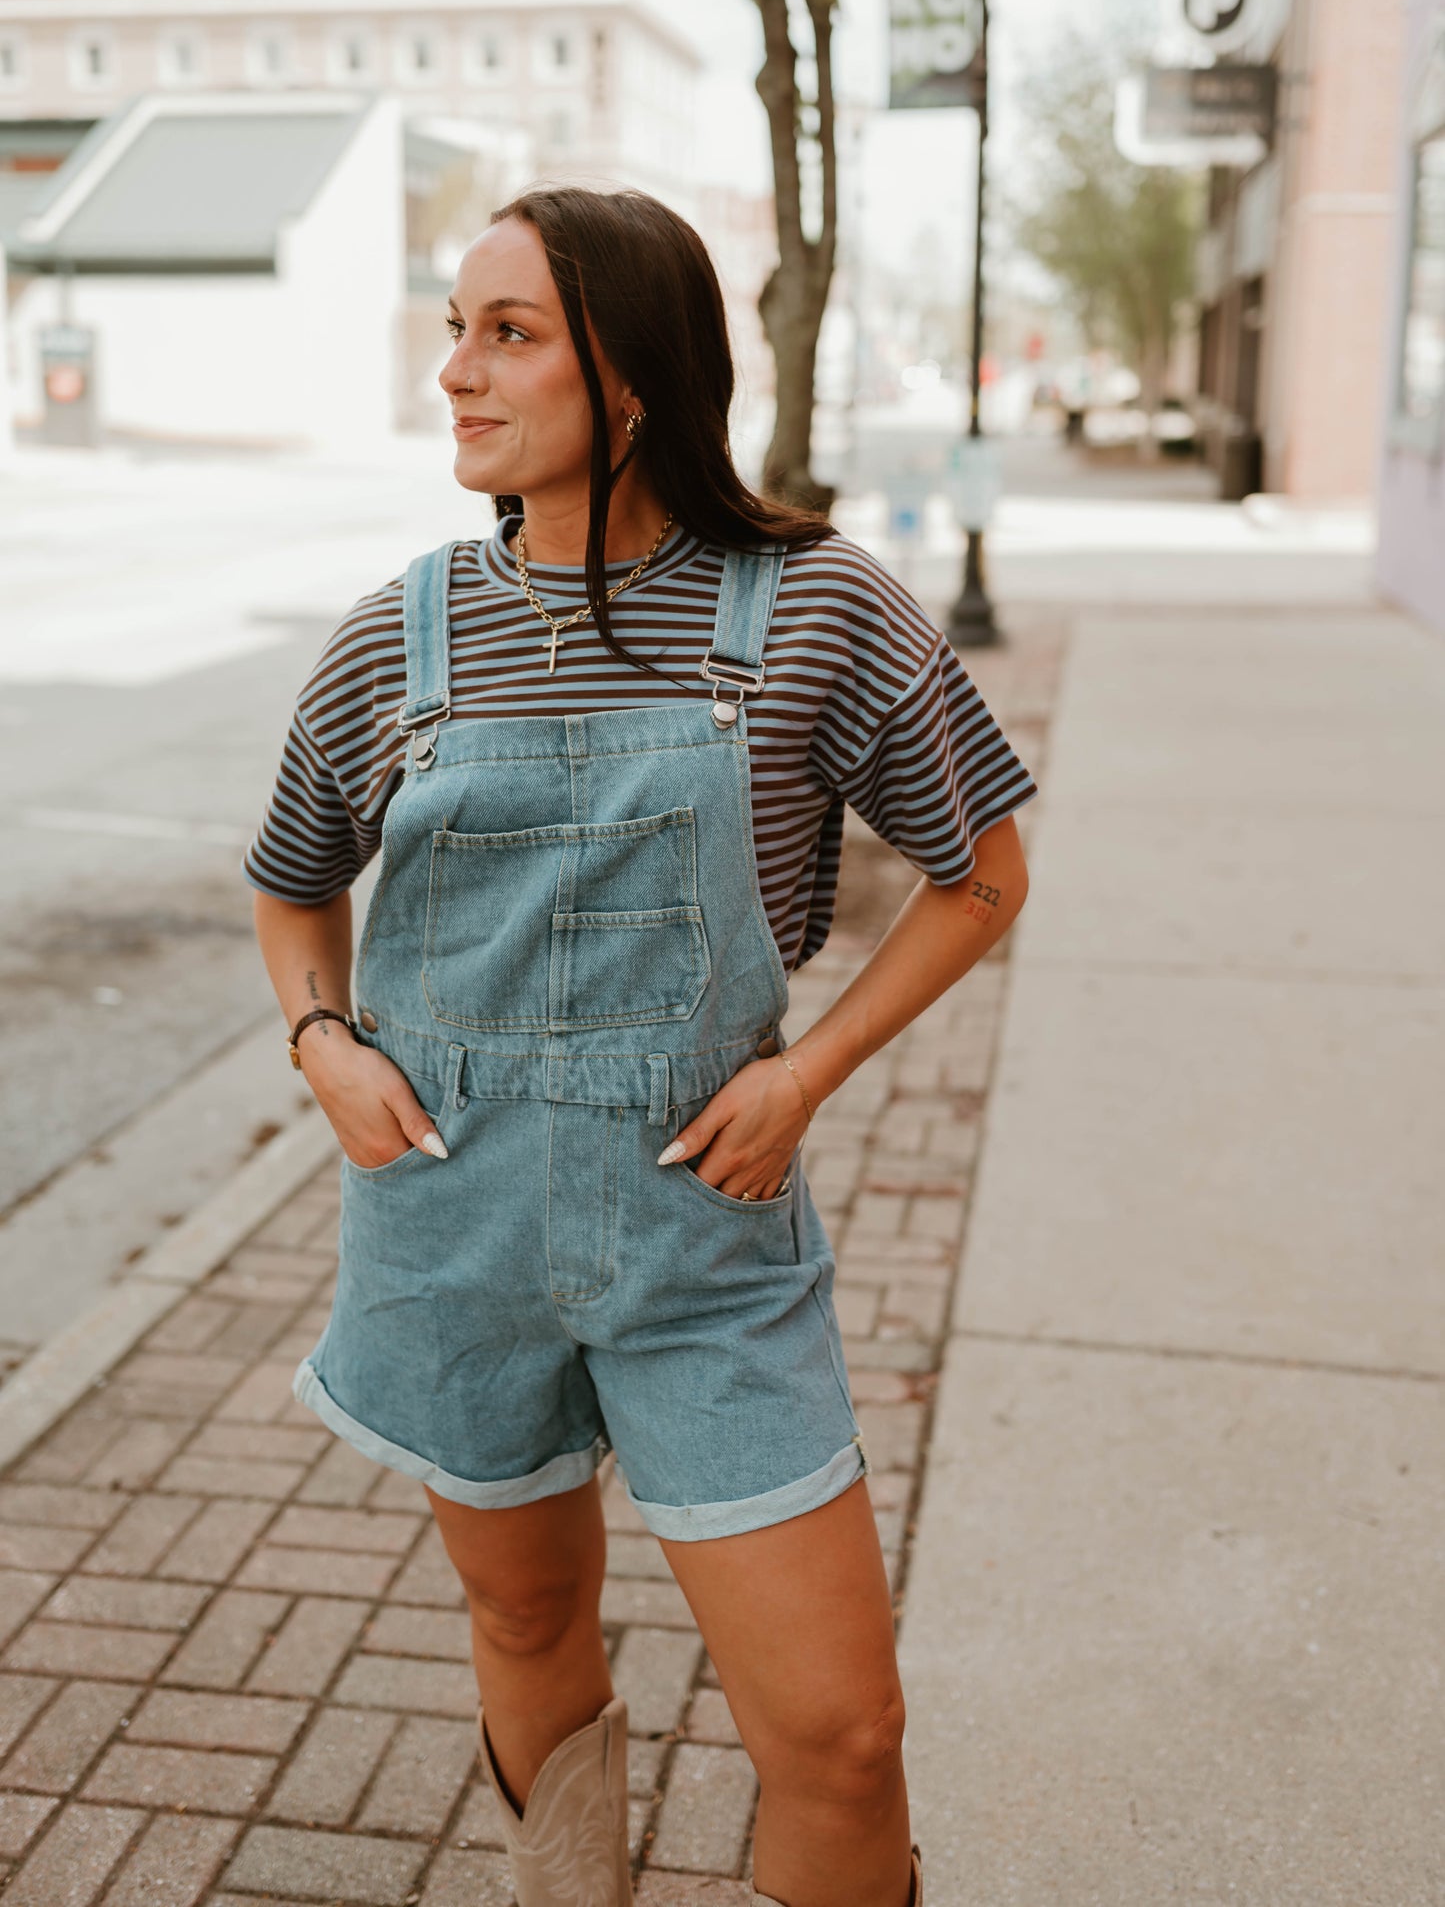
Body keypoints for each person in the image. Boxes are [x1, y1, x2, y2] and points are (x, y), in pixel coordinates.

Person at [245, 185, 1036, 1907]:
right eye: (453, 327)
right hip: (449, 1232)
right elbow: (292, 884)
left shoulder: (815, 606)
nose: (455, 371)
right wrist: (322, 1041)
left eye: (507, 332)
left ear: (634, 377)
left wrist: (806, 1072)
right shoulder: (403, 633)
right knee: (524, 1616)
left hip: (703, 1242)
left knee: (837, 1732)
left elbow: (981, 875)